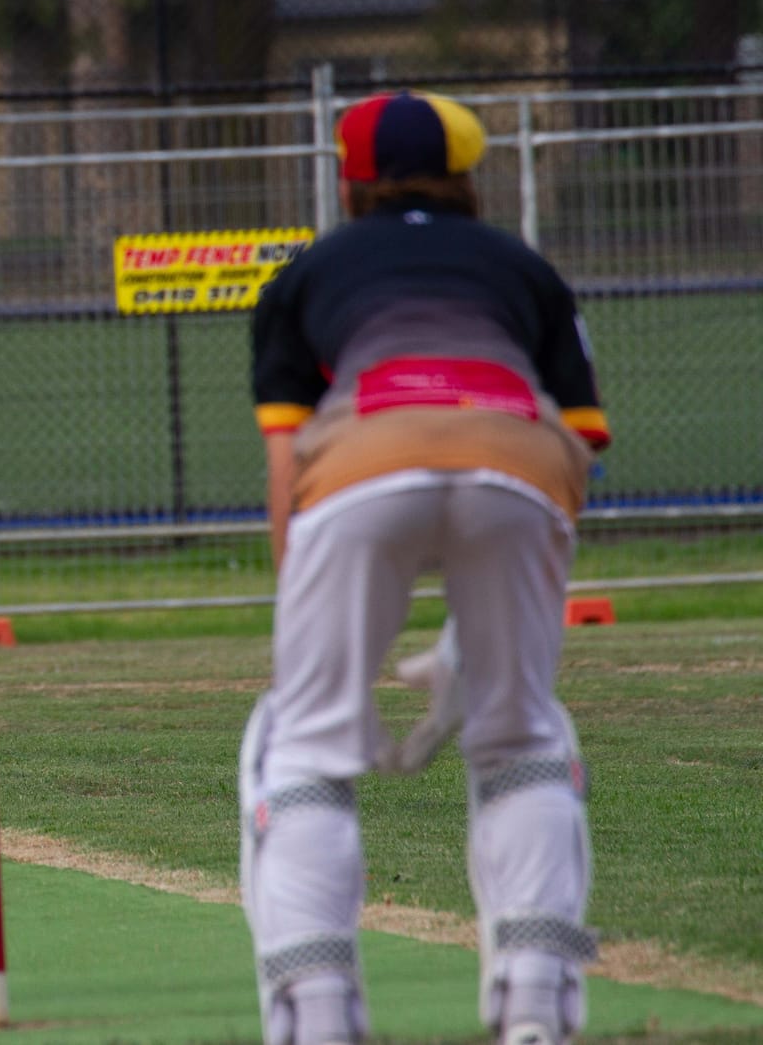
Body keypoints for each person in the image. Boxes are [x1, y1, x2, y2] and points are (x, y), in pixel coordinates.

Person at [240, 90, 612, 1045]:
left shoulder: (306, 273)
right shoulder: (522, 268)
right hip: (520, 462)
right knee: (521, 731)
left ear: (349, 180)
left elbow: (289, 469)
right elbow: (578, 447)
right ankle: (536, 1005)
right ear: (468, 177)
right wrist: (493, 619)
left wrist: (310, 628)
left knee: (305, 744)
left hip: (361, 459)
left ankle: (318, 1016)